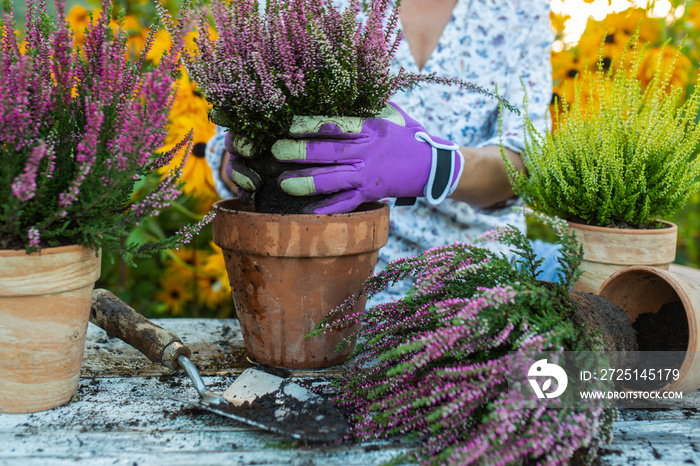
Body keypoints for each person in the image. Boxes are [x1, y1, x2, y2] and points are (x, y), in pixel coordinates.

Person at [206, 0, 560, 304]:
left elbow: (520, 167)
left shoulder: (519, 9)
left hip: (482, 273)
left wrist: (435, 166)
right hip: (339, 278)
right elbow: (235, 146)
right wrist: (256, 159)